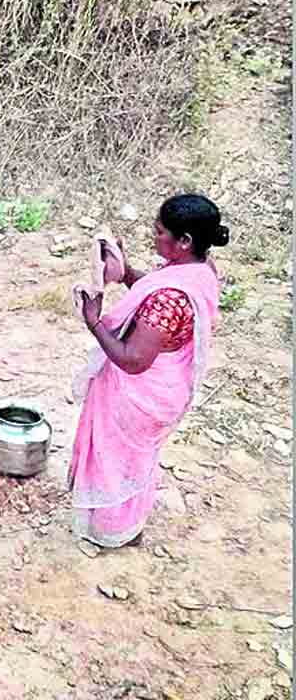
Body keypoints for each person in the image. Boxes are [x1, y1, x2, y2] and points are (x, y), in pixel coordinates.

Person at [71, 193, 229, 548]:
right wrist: (125, 272)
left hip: (143, 393)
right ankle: (125, 523)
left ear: (184, 241)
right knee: (134, 462)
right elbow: (154, 288)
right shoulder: (199, 270)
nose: (154, 237)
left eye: (160, 232)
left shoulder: (169, 300)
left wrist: (94, 321)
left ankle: (110, 532)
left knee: (115, 460)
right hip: (167, 386)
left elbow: (132, 360)